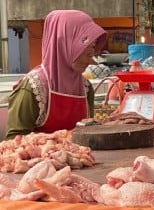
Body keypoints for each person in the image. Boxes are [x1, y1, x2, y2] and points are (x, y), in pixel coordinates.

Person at [5, 10, 107, 139]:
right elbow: (14, 140)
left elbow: (87, 134)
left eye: (92, 46)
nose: (90, 55)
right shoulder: (34, 88)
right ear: (61, 43)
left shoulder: (85, 88)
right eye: (83, 44)